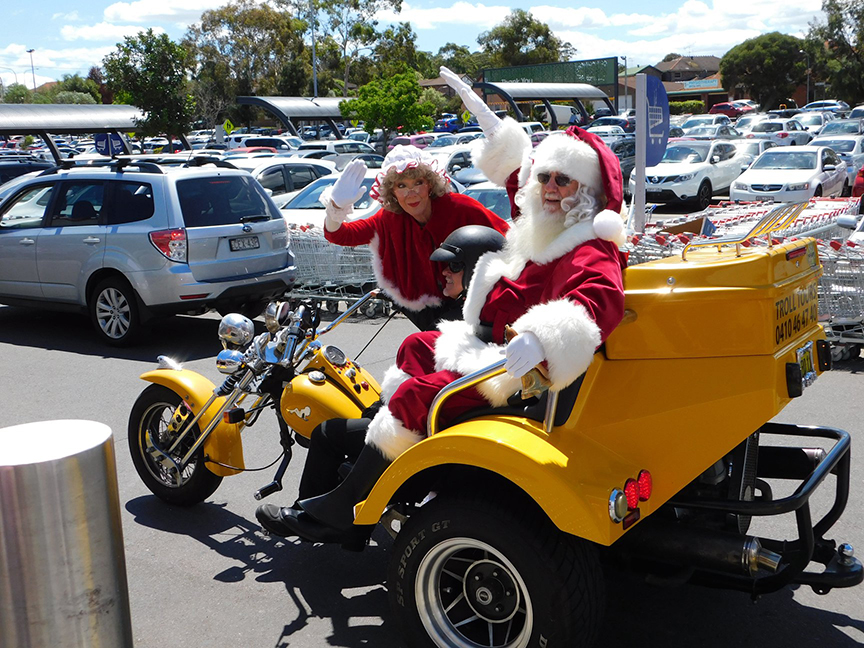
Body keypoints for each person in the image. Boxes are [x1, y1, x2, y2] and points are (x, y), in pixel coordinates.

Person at [266, 71, 629, 544]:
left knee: (415, 396)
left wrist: (543, 337)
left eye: (565, 180)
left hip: (518, 364)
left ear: (587, 192)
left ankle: (350, 504)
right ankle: (386, 446)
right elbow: (522, 183)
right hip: (478, 330)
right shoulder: (548, 223)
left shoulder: (586, 243)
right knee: (418, 347)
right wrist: (497, 132)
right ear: (392, 191)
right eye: (547, 177)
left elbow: (598, 297)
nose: (552, 187)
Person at [256, 226, 507, 540]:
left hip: (435, 434)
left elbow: (433, 382)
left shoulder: (486, 316)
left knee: (328, 432)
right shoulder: (481, 311)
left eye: (454, 266)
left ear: (479, 269)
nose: (444, 272)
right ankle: (321, 511)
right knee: (402, 364)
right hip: (436, 422)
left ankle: (321, 518)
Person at [321, 146, 508, 331]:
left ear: (430, 184)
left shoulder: (460, 207)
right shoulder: (389, 217)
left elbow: (507, 240)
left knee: (426, 348)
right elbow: (341, 234)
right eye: (401, 186)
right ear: (392, 192)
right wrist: (335, 208)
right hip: (424, 306)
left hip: (472, 303)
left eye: (418, 183)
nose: (411, 193)